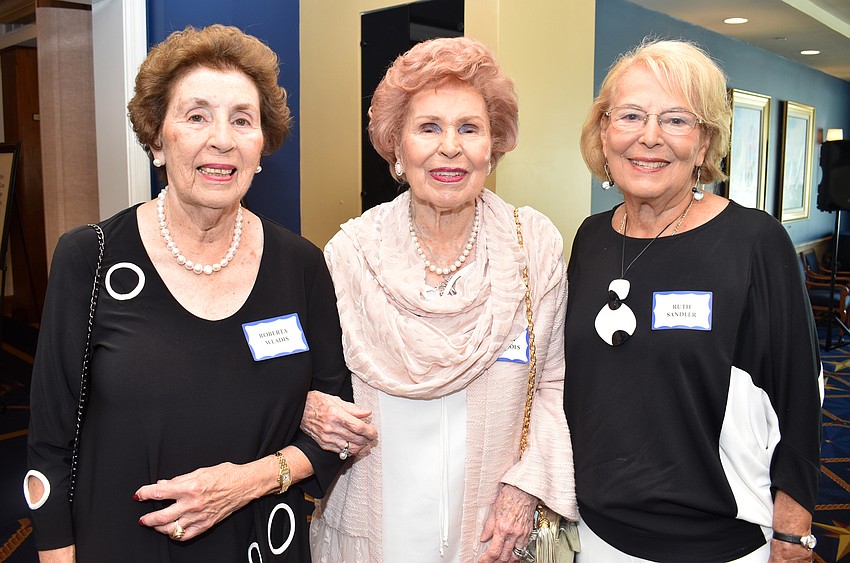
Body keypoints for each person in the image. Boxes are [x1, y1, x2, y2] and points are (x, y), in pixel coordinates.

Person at [25, 24, 353, 562]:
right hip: (125, 546)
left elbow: (336, 432)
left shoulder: (301, 265)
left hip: (263, 543)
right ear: (157, 139)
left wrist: (244, 484)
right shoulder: (91, 257)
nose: (220, 138)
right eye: (196, 116)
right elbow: (48, 444)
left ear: (261, 146)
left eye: (241, 120)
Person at [305, 36, 578, 563]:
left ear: (492, 147)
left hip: (490, 527)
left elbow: (553, 383)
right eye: (428, 127)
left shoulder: (533, 248)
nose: (449, 147)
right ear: (396, 145)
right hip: (373, 515)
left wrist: (526, 489)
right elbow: (306, 378)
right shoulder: (349, 255)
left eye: (469, 128)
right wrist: (309, 406)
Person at [565, 38, 822, 562]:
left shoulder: (754, 242)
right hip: (598, 530)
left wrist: (793, 532)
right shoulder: (590, 239)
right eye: (631, 115)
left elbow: (800, 393)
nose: (649, 137)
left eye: (677, 120)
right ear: (604, 134)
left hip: (716, 541)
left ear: (704, 144)